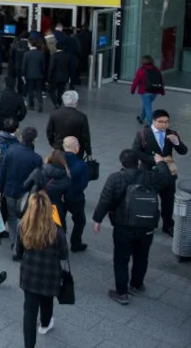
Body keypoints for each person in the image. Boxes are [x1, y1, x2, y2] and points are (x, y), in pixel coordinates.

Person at [93, 149, 174, 304]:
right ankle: (136, 285)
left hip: (123, 225)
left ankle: (122, 293)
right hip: (146, 225)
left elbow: (105, 200)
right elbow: (167, 177)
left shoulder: (116, 178)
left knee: (121, 258)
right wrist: (161, 162)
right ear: (137, 162)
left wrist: (97, 220)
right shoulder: (150, 177)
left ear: (122, 163)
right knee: (142, 256)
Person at [16, 192, 67, 348]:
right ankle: (45, 323)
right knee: (47, 300)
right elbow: (64, 254)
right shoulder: (56, 230)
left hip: (30, 274)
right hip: (50, 274)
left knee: (29, 311)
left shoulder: (23, 226)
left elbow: (18, 252)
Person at [131, 108, 187, 237]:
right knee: (149, 200)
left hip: (167, 174)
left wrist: (177, 142)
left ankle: (168, 225)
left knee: (168, 200)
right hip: (149, 173)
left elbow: (184, 151)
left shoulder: (172, 133)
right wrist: (155, 160)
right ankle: (149, 223)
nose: (164, 124)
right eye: (161, 122)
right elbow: (136, 151)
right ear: (153, 121)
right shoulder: (143, 134)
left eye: (167, 122)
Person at [0, 127, 44, 256]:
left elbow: (3, 171)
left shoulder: (11, 151)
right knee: (24, 218)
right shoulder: (36, 158)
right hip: (25, 193)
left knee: (12, 217)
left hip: (9, 190)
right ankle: (20, 244)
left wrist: (0, 188)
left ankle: (14, 242)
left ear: (21, 137)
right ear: (34, 140)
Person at [61, 137, 90, 252]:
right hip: (75, 198)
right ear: (76, 148)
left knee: (60, 220)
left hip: (60, 197)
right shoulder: (82, 165)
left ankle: (60, 243)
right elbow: (83, 184)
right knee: (80, 221)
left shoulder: (57, 161)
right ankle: (75, 243)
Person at [46, 90, 91, 156]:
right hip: (75, 150)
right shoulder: (82, 117)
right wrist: (88, 151)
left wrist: (53, 144)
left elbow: (49, 131)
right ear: (76, 101)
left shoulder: (54, 114)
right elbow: (85, 137)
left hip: (59, 147)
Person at [131, 55, 165, 125]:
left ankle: (151, 124)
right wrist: (162, 91)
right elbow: (161, 81)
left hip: (145, 92)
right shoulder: (156, 69)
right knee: (146, 105)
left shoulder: (141, 70)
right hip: (155, 91)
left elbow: (136, 81)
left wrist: (132, 90)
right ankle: (141, 118)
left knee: (147, 107)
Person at [23, 40, 46, 112]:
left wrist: (23, 74)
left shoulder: (26, 54)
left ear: (30, 44)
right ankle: (40, 103)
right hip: (39, 74)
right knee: (38, 90)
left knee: (30, 90)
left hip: (29, 75)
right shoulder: (41, 54)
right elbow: (43, 66)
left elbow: (24, 66)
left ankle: (31, 105)